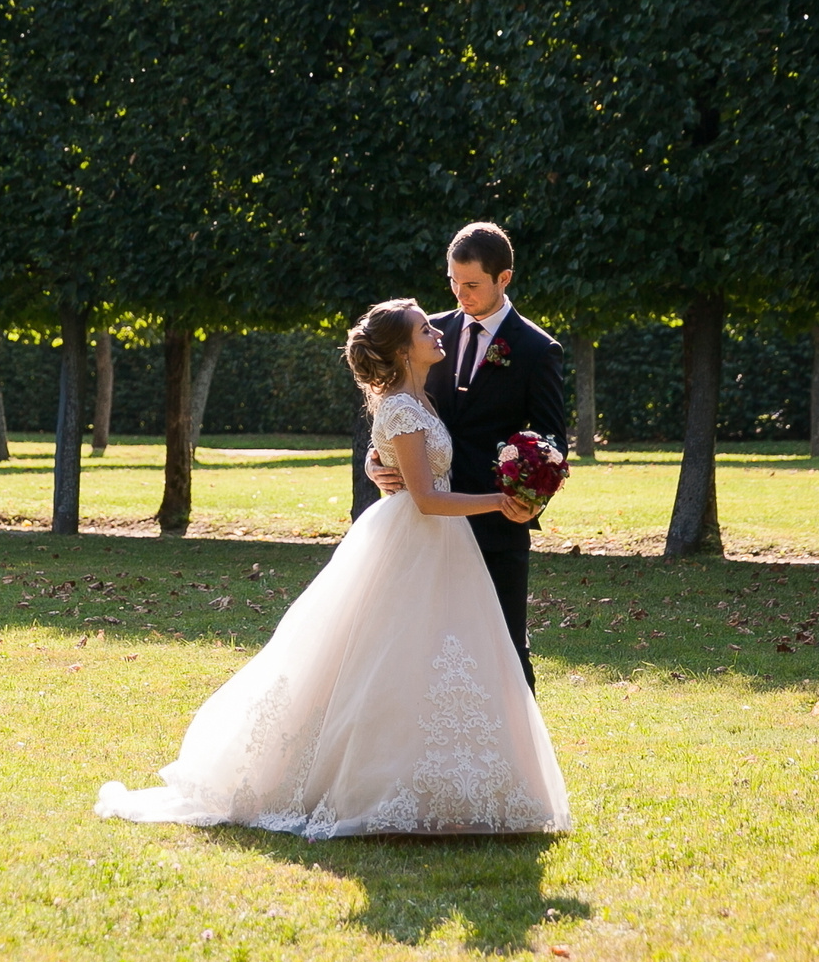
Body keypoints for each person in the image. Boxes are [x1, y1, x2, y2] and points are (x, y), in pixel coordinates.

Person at [95, 299, 571, 839]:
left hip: (443, 545)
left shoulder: (422, 397)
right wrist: (500, 501)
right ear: (400, 350)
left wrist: (386, 461)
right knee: (388, 658)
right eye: (423, 329)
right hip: (417, 536)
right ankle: (371, 784)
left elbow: (410, 460)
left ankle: (453, 786)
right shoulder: (402, 406)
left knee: (443, 658)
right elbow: (426, 499)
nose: (436, 330)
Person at [365, 221, 566, 690]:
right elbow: (397, 412)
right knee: (423, 648)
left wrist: (526, 500)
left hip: (497, 525)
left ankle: (519, 762)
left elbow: (552, 443)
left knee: (506, 651)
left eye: (472, 284)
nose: (460, 294)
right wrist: (377, 462)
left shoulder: (537, 350)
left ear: (504, 279)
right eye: (453, 282)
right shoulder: (428, 336)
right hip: (425, 527)